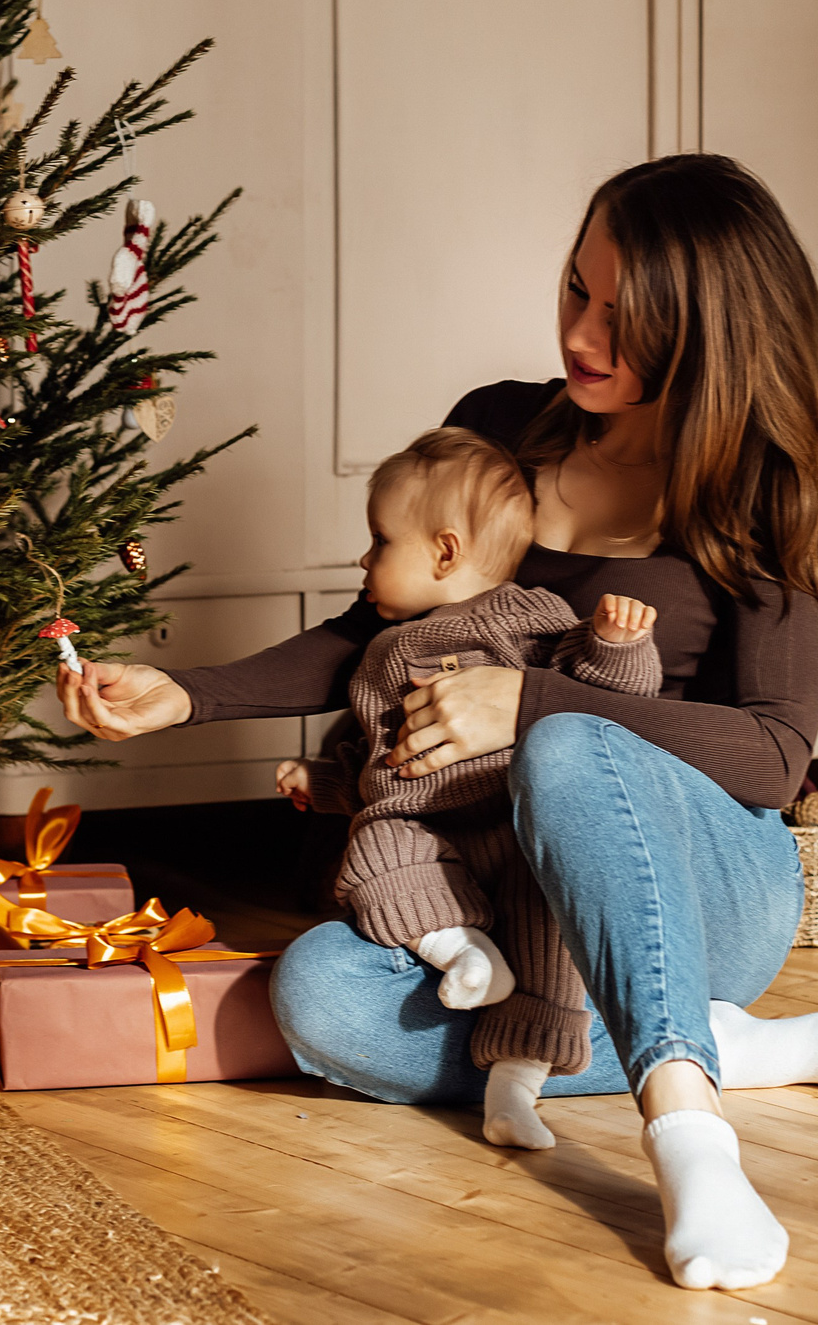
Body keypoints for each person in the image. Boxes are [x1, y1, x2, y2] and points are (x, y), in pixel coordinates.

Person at [59, 153, 818, 1294]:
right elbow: (374, 633)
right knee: (315, 998)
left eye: (625, 318)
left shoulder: (767, 491)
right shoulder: (502, 431)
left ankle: (689, 1134)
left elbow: (774, 760)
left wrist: (536, 697)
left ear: (712, 334)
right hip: (508, 900)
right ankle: (716, 1040)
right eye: (574, 290)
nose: (583, 337)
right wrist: (187, 694)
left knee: (566, 746)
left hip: (707, 882)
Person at [277, 425, 665, 1153]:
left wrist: (619, 643)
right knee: (377, 846)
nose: (365, 558)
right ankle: (460, 947)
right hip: (426, 827)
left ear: (445, 551)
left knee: (548, 941)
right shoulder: (381, 656)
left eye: (380, 541)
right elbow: (377, 767)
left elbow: (608, 697)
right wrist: (324, 781)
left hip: (517, 823)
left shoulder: (532, 617)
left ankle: (515, 1090)